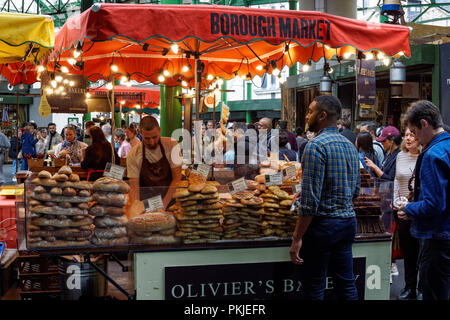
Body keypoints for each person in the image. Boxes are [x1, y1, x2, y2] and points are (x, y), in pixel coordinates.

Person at [289, 95, 360, 300]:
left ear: (322, 115)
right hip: (347, 222)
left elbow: (310, 204)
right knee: (346, 285)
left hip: (323, 226)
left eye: (310, 111)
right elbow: (354, 190)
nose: (307, 115)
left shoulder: (315, 146)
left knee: (315, 286)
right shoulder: (349, 145)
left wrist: (297, 238)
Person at [396, 100, 450, 301]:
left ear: (425, 123)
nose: (413, 136)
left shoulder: (432, 154)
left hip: (438, 237)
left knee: (435, 293)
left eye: (414, 130)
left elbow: (434, 204)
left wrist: (408, 207)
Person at [126, 115, 182, 207]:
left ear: (160, 131)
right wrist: (135, 208)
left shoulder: (172, 145)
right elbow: (134, 187)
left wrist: (163, 205)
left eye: (155, 137)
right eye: (147, 138)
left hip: (171, 203)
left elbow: (177, 177)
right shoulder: (133, 154)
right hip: (147, 204)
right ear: (140, 133)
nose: (151, 142)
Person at [394, 127, 421, 300]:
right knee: (409, 253)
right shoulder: (400, 155)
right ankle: (409, 287)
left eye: (413, 135)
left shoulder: (425, 156)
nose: (409, 138)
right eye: (406, 135)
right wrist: (396, 203)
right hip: (402, 211)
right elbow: (397, 180)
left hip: (420, 210)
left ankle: (422, 288)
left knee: (423, 253)